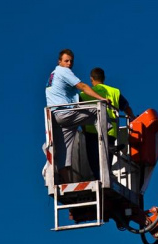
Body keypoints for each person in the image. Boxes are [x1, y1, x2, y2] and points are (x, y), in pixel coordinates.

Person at [46, 49, 110, 184]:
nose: (69, 64)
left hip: (55, 117)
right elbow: (82, 86)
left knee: (64, 152)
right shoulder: (63, 71)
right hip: (64, 113)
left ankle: (67, 182)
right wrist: (101, 99)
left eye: (71, 61)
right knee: (97, 110)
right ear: (59, 62)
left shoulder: (52, 75)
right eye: (66, 61)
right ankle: (107, 136)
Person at [80, 67, 136, 178]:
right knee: (107, 157)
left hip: (91, 131)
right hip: (110, 131)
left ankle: (97, 177)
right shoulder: (114, 92)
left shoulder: (83, 94)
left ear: (91, 79)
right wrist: (133, 118)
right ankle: (105, 176)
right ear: (104, 78)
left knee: (94, 158)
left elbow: (79, 113)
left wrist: (84, 129)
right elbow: (126, 108)